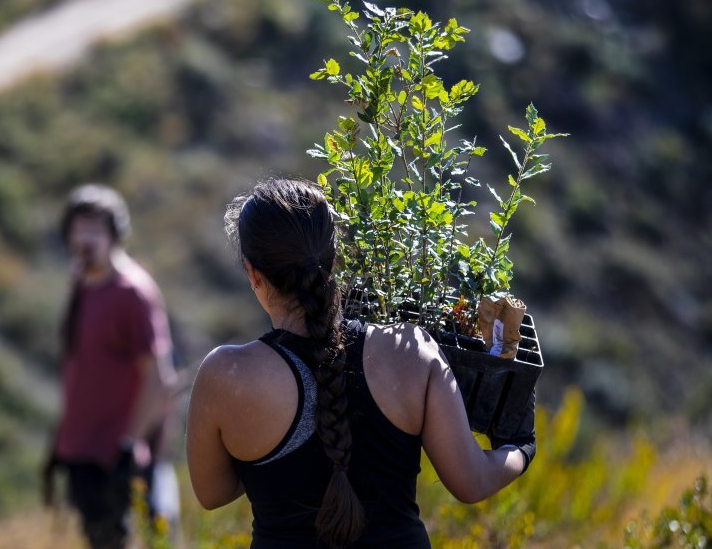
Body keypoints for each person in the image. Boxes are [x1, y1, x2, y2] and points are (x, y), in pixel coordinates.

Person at [186, 178, 536, 548]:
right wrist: (521, 447)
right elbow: (472, 481)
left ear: (253, 274)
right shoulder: (412, 350)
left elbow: (212, 492)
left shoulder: (226, 376)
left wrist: (271, 456)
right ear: (333, 257)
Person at [44, 184, 177, 549]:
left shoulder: (132, 293)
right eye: (78, 228)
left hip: (114, 457)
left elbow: (159, 379)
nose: (84, 239)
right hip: (81, 449)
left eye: (95, 229)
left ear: (115, 234)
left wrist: (128, 445)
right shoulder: (81, 281)